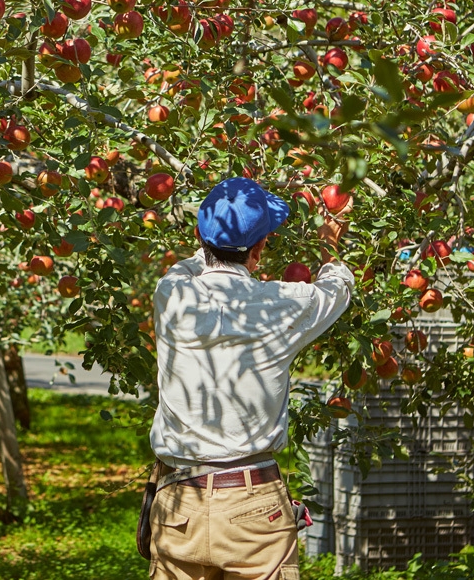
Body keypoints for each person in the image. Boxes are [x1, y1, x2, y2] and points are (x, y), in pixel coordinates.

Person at [146, 176, 354, 580]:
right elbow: (338, 288)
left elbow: (188, 266)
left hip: (178, 503)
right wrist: (329, 243)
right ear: (259, 250)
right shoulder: (284, 302)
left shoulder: (171, 294)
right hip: (253, 504)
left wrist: (214, 236)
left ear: (199, 238)